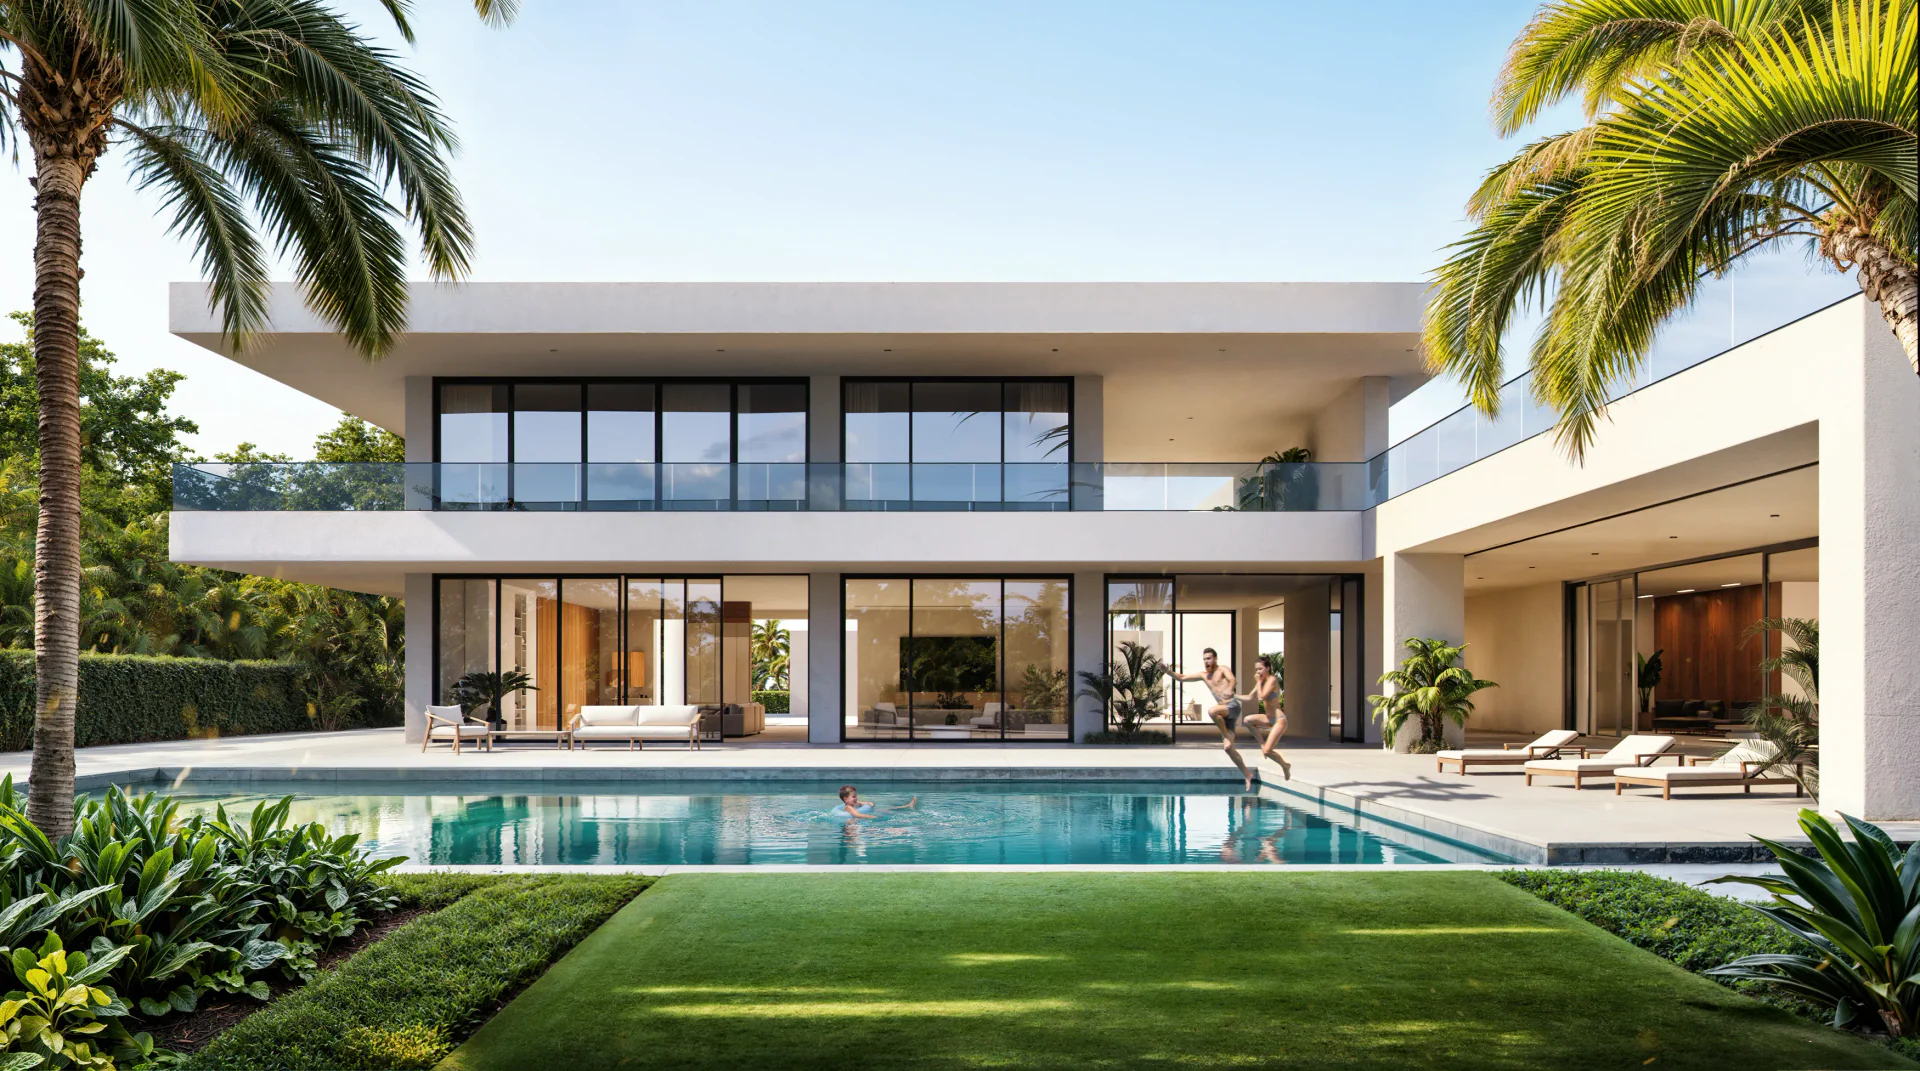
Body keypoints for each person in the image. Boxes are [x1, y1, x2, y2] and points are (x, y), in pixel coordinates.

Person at [1170, 647, 1254, 791]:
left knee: (1212, 711)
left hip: (1232, 706)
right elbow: (1182, 678)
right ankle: (1247, 775)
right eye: (1204, 659)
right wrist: (1167, 672)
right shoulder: (1204, 676)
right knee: (1228, 747)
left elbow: (1232, 679)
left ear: (1215, 659)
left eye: (1209, 658)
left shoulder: (1222, 669)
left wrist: (1230, 688)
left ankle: (1226, 733)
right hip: (1225, 715)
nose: (1206, 662)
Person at [1236, 654, 1292, 781]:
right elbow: (1249, 697)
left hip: (1279, 720)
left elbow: (1261, 697)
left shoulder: (1272, 680)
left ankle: (1285, 766)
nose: (1257, 672)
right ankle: (1262, 743)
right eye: (1256, 669)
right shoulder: (1261, 682)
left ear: (1267, 668)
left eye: (1260, 669)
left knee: (1267, 751)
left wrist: (1258, 682)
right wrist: (1233, 696)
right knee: (1247, 720)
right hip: (1268, 718)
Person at [832, 784, 916, 820]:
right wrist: (871, 816)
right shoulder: (848, 807)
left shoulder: (853, 803)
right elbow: (857, 815)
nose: (856, 798)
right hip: (852, 822)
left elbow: (860, 803)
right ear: (846, 799)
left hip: (859, 816)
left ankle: (907, 806)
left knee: (886, 809)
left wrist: (868, 803)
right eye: (854, 797)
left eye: (856, 796)